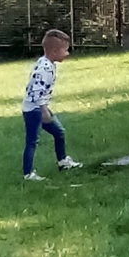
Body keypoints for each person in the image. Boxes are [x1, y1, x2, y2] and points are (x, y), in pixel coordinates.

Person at [22, 29, 82, 181]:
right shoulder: (45, 68)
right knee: (32, 141)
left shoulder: (48, 64)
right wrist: (43, 110)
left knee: (59, 132)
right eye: (65, 50)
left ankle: (62, 161)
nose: (67, 53)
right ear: (55, 51)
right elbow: (36, 90)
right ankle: (28, 173)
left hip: (39, 107)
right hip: (34, 110)